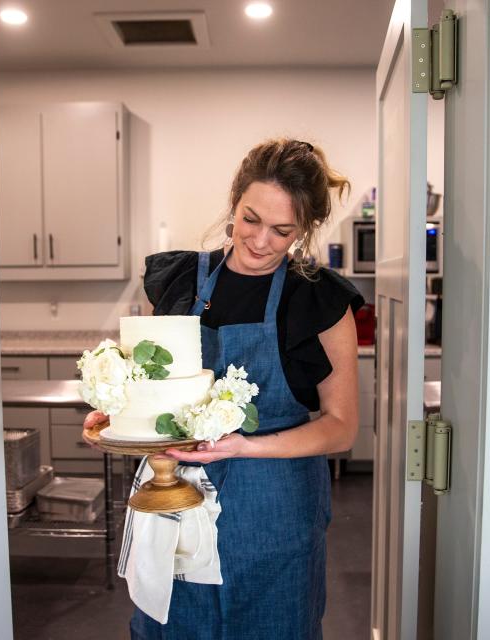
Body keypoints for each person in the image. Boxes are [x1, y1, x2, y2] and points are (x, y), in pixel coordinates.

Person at [83, 138, 362, 639]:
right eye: (250, 219)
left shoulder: (319, 301)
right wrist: (114, 416)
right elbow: (150, 386)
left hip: (275, 508)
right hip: (178, 497)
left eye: (283, 231)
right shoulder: (177, 282)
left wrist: (245, 445)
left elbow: (341, 429)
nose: (259, 241)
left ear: (305, 229)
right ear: (234, 200)